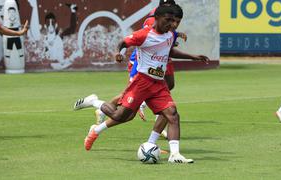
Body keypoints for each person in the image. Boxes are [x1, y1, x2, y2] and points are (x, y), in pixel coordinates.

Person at [74, 4, 209, 163]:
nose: (172, 25)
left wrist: (193, 57)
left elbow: (169, 51)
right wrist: (119, 53)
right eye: (168, 20)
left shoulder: (170, 34)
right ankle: (93, 101)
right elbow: (123, 42)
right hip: (141, 82)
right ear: (156, 18)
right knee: (121, 116)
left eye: (174, 21)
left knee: (172, 114)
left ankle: (175, 155)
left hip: (158, 84)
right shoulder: (144, 35)